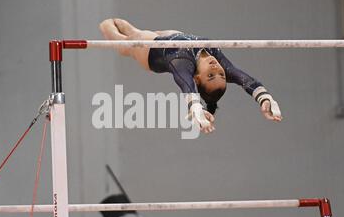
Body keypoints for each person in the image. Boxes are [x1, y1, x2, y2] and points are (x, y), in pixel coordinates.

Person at [99, 18, 282, 133]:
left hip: (149, 51)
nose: (216, 67)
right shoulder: (217, 59)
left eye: (211, 75)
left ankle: (114, 34)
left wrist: (196, 108)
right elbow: (245, 79)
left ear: (197, 78)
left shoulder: (183, 64)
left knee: (114, 28)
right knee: (135, 30)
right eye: (221, 73)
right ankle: (128, 31)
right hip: (174, 37)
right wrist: (264, 98)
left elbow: (185, 84)